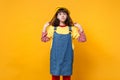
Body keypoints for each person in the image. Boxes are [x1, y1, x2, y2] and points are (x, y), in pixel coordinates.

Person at [41, 7, 87, 80]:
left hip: (67, 57)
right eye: (60, 14)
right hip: (55, 57)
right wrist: (44, 27)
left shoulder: (71, 29)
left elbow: (83, 39)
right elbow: (44, 39)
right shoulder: (53, 28)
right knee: (55, 76)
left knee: (67, 77)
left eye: (64, 14)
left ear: (67, 16)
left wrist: (80, 28)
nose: (62, 16)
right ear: (57, 16)